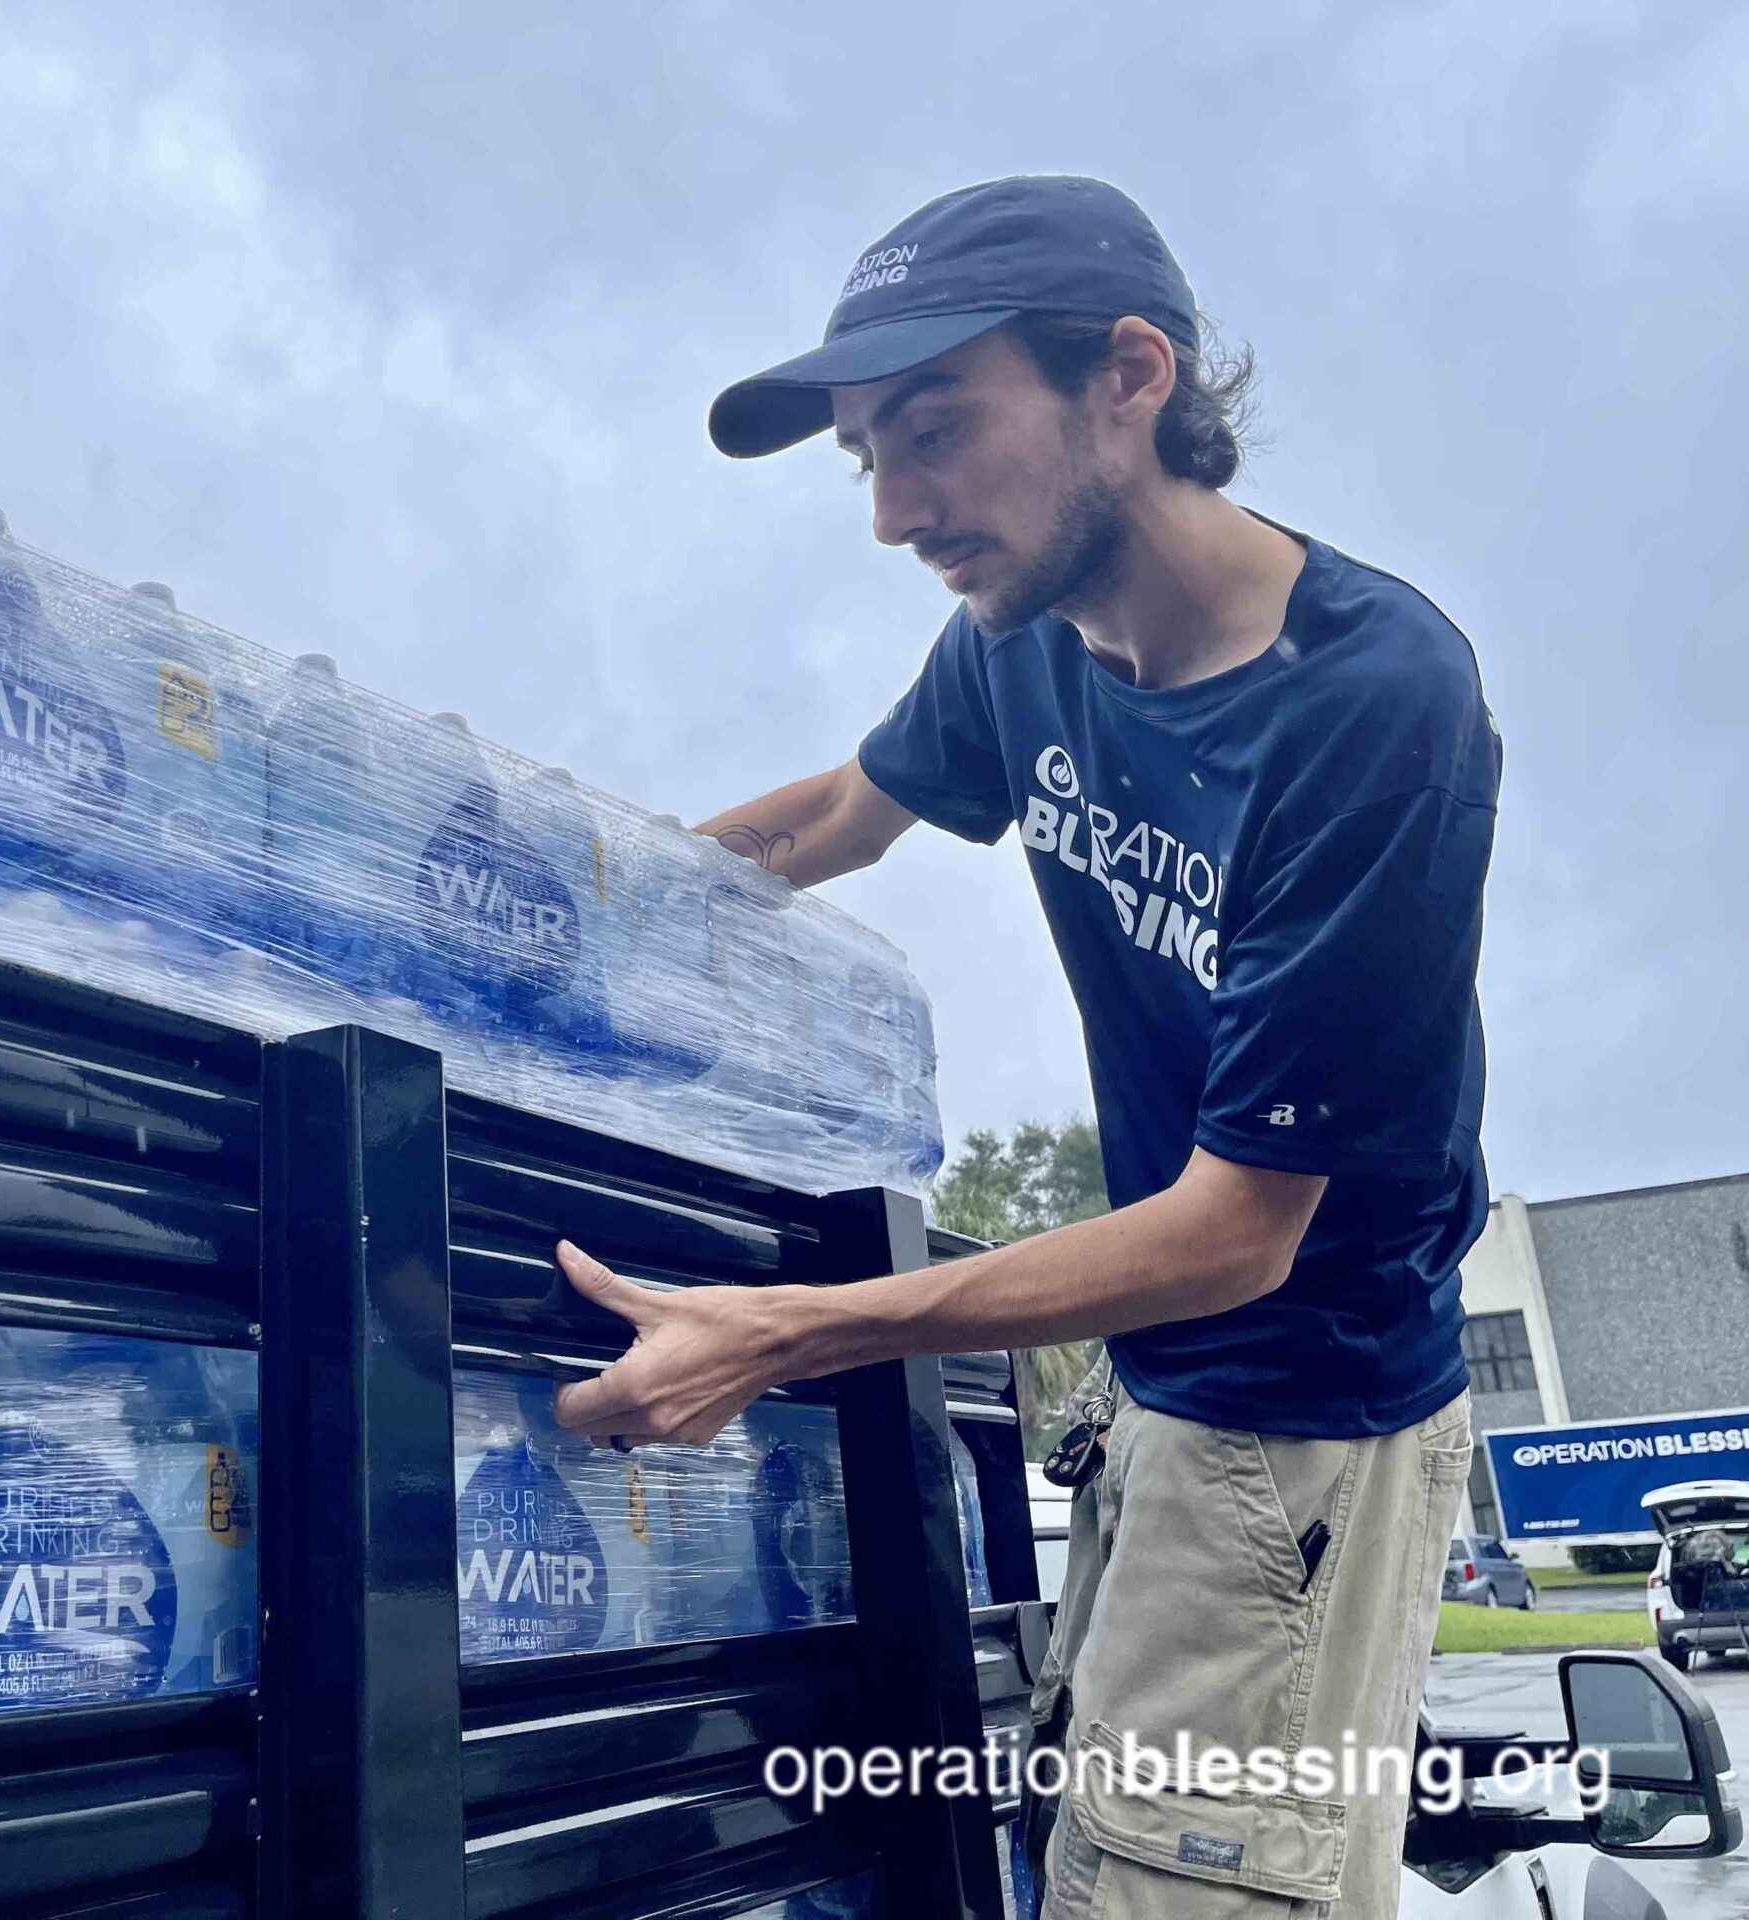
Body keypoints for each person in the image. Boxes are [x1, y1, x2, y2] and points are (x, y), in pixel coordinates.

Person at [551, 176, 1496, 1918]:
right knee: (1089, 1856)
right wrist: (530, 908)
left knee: (1177, 1888)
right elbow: (835, 815)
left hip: (1310, 1421)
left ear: (1130, 376)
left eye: (935, 432)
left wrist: (790, 1332)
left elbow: (1239, 1230)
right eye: (865, 459)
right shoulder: (1022, 644)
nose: (897, 510)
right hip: (1162, 1388)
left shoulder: (1374, 707)